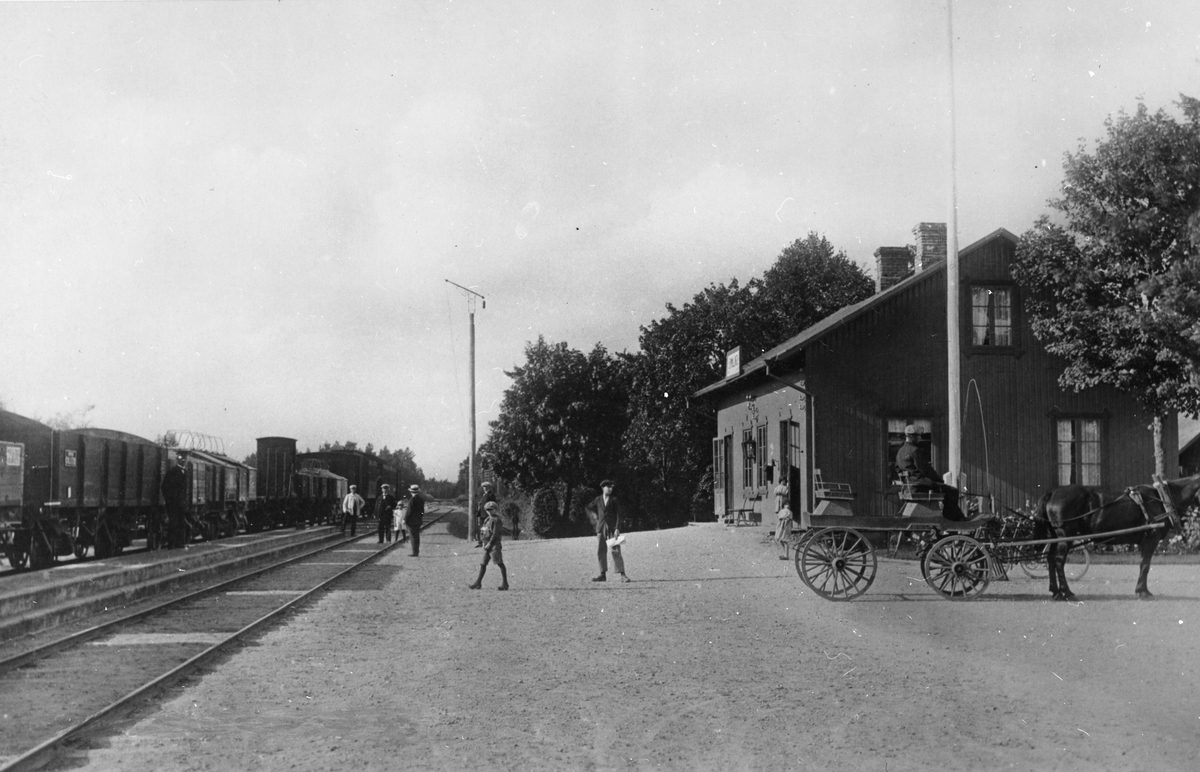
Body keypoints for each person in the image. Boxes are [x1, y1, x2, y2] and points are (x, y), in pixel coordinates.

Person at [895, 425, 964, 521]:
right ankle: (953, 519)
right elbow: (927, 471)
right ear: (912, 437)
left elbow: (897, 468)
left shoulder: (900, 451)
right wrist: (939, 481)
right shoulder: (915, 451)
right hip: (920, 485)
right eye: (918, 436)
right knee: (952, 491)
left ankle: (951, 517)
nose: (920, 438)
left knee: (947, 490)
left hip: (908, 487)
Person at [585, 479, 629, 583]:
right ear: (602, 488)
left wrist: (617, 528)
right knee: (601, 551)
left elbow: (619, 514)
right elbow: (588, 507)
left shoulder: (614, 499)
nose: (610, 489)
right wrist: (594, 517)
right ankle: (602, 575)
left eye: (611, 487)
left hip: (612, 528)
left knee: (616, 550)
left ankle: (623, 575)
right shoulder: (598, 499)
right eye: (608, 487)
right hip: (600, 528)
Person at [468, 500, 509, 591]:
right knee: (483, 563)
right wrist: (483, 542)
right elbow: (483, 532)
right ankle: (478, 583)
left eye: (491, 509)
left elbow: (495, 534)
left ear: (495, 510)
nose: (489, 511)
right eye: (487, 510)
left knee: (499, 563)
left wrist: (489, 544)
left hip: (494, 545)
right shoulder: (487, 519)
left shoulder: (497, 520)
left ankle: (505, 583)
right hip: (487, 545)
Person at [160, 452, 189, 549]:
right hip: (174, 504)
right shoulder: (172, 472)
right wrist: (171, 500)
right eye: (181, 458)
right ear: (178, 459)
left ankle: (179, 543)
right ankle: (171, 544)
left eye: (185, 458)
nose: (183, 460)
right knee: (174, 523)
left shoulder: (185, 472)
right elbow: (164, 487)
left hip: (181, 503)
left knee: (181, 523)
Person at [404, 483, 426, 556]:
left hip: (411, 522)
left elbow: (409, 512)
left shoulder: (412, 500)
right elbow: (422, 511)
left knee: (413, 537)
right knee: (417, 536)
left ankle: (415, 552)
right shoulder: (421, 499)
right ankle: (416, 551)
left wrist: (405, 520)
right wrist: (419, 517)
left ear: (411, 492)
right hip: (418, 521)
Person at [475, 480, 497, 548]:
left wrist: (491, 513)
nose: (484, 488)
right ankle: (480, 542)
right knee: (482, 529)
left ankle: (487, 542)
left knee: (488, 529)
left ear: (489, 487)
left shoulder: (491, 495)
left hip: (487, 514)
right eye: (484, 486)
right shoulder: (484, 495)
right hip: (482, 514)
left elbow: (493, 504)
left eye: (486, 486)